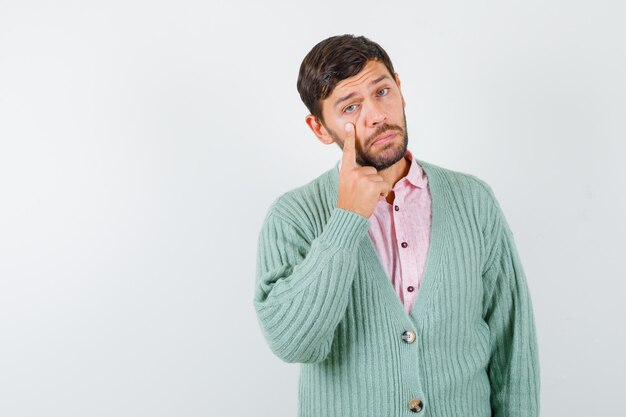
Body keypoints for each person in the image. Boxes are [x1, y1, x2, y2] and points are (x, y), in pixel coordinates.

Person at [253, 34, 540, 417]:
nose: (376, 114)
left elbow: (512, 342)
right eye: (351, 106)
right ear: (320, 128)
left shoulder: (473, 199)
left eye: (382, 91)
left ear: (401, 90)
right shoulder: (293, 215)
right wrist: (347, 220)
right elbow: (293, 342)